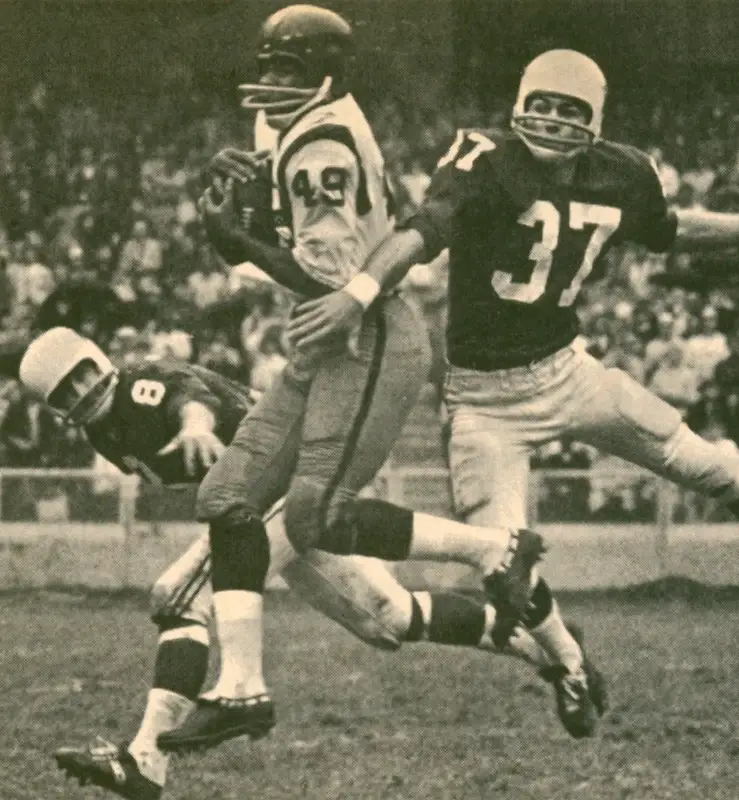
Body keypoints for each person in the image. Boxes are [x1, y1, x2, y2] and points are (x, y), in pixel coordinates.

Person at [286, 48, 739, 739]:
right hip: (483, 400)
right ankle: (569, 664)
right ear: (519, 104)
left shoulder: (623, 171)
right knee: (503, 563)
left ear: (595, 120)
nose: (552, 120)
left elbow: (666, 231)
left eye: (569, 108)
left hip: (568, 371)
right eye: (542, 104)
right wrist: (360, 292)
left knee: (706, 464)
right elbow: (421, 231)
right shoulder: (484, 159)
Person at [157, 5, 546, 755]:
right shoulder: (300, 126)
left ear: (326, 76)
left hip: (365, 335)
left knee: (315, 519)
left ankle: (492, 551)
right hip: (324, 338)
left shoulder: (323, 142)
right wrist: (234, 215)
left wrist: (232, 241)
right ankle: (240, 687)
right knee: (227, 499)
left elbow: (328, 282)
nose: (270, 82)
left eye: (287, 70)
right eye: (267, 65)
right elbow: (289, 246)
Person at [15, 327, 603, 800]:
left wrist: (195, 428)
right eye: (64, 393)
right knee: (388, 618)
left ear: (98, 360)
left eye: (82, 377)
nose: (80, 393)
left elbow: (184, 399)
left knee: (179, 596)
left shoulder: (139, 382)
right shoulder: (105, 434)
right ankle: (540, 646)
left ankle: (144, 762)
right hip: (257, 499)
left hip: (273, 487)